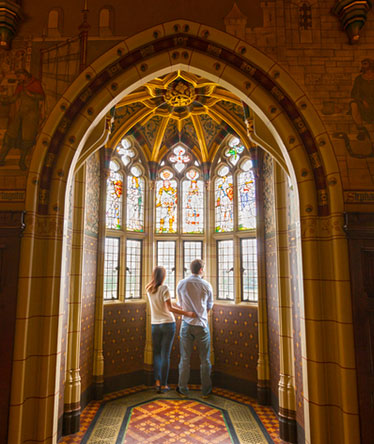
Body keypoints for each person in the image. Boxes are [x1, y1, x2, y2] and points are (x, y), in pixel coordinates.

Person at [146, 266, 196, 393]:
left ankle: (157, 381)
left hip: (155, 325)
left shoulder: (149, 289)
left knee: (157, 354)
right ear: (163, 276)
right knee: (165, 355)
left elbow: (163, 305)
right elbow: (170, 309)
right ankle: (164, 385)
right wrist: (187, 313)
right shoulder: (164, 288)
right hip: (168, 324)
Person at [176, 259, 213, 398]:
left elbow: (180, 304)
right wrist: (201, 315)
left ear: (190, 269)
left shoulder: (182, 283)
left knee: (185, 358)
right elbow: (209, 305)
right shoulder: (206, 285)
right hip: (202, 325)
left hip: (186, 324)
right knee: (205, 359)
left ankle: (183, 388)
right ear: (201, 270)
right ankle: (206, 391)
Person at [0, 69, 45, 170]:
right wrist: (2, 99)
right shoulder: (20, 85)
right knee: (10, 136)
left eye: (19, 76)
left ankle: (22, 162)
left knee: (27, 139)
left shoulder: (35, 83)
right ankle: (1, 159)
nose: (18, 79)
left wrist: (31, 94)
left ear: (25, 75)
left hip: (31, 116)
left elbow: (42, 96)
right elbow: (13, 99)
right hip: (21, 114)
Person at [350, 58, 374, 138]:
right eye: (362, 64)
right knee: (353, 104)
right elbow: (354, 94)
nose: (363, 66)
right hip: (363, 104)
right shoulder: (359, 79)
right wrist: (363, 101)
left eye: (365, 64)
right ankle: (361, 130)